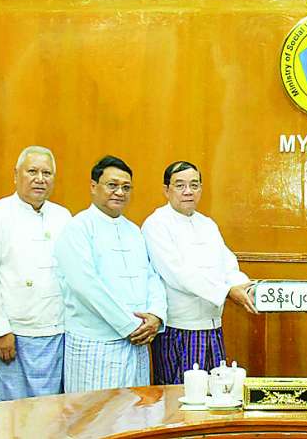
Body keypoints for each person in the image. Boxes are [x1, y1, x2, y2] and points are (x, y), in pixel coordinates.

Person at [53, 155, 167, 393]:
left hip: (137, 340)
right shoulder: (78, 228)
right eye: (112, 185)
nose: (119, 192)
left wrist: (156, 316)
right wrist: (130, 325)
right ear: (93, 187)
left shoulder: (133, 230)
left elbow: (152, 276)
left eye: (126, 187)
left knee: (136, 410)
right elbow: (86, 286)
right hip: (96, 343)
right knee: (95, 413)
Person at [0, 146, 71, 404]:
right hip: (11, 336)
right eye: (32, 171)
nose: (40, 179)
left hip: (55, 333)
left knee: (50, 413)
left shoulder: (63, 217)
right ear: (16, 175)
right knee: (7, 414)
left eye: (46, 173)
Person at [142, 161, 256, 380]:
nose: (188, 191)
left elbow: (228, 263)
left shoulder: (207, 224)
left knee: (215, 391)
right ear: (166, 190)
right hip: (179, 329)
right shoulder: (156, 224)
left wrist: (244, 287)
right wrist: (226, 291)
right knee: (180, 394)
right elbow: (178, 274)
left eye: (194, 185)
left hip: (212, 326)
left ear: (201, 189)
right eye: (180, 185)